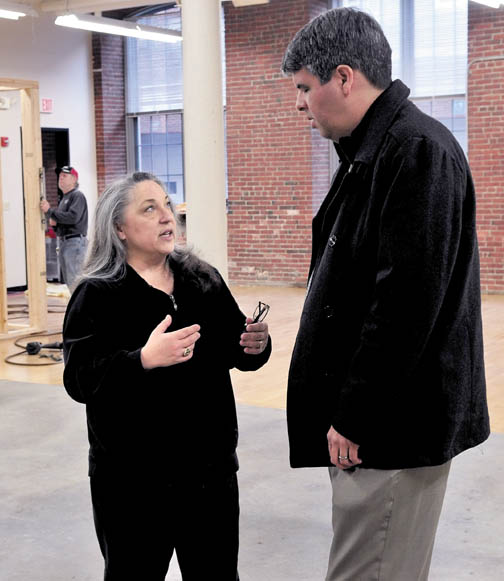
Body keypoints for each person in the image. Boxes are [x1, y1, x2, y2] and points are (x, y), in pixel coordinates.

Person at [281, 8, 489, 580]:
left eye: (304, 87)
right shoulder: (371, 152)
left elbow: (404, 306)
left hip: (390, 430)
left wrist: (356, 414)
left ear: (344, 78)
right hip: (374, 426)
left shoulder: (415, 152)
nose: (300, 103)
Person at [62, 171, 271, 580]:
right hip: (133, 483)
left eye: (167, 207)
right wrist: (141, 359)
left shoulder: (201, 278)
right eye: (149, 208)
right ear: (119, 227)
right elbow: (80, 379)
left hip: (209, 474)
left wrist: (254, 346)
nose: (166, 217)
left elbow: (236, 351)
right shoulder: (97, 294)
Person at [40, 165, 88, 290]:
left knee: (75, 279)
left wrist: (50, 211)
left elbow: (73, 217)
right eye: (60, 176)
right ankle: (76, 307)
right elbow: (64, 221)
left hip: (74, 242)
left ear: (74, 179)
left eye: (64, 176)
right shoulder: (64, 199)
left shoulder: (77, 196)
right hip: (65, 242)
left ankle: (81, 308)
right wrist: (55, 224)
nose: (60, 178)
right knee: (70, 280)